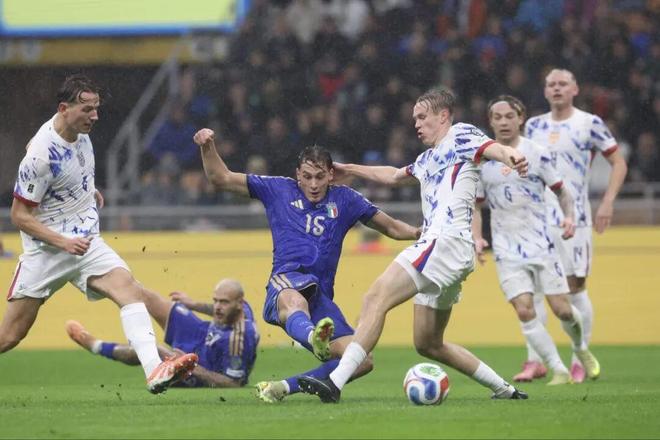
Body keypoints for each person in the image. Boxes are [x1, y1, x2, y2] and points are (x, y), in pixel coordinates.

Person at [297, 88, 530, 403]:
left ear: (443, 116)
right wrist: (349, 169)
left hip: (444, 241)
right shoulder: (427, 159)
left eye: (422, 117)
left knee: (375, 297)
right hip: (451, 252)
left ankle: (335, 382)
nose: (416, 124)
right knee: (428, 343)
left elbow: (494, 149)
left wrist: (512, 157)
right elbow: (393, 176)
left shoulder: (461, 135)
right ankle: (505, 389)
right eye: (414, 119)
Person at [192, 129, 420, 403]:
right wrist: (207, 146)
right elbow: (221, 178)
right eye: (307, 176)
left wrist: (420, 233)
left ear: (331, 175)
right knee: (296, 299)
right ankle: (314, 338)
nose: (313, 184)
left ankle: (283, 387)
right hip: (286, 283)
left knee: (361, 359)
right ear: (297, 174)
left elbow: (393, 228)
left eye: (320, 177)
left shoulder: (346, 199)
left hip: (320, 298)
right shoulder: (278, 189)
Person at [2, 74, 197, 394]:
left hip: (87, 243)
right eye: (87, 109)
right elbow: (18, 216)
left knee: (128, 289)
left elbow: (69, 171)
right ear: (63, 109)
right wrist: (63, 242)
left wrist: (87, 190)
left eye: (96, 108)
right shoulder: (39, 155)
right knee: (10, 337)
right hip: (48, 252)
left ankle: (154, 370)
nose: (94, 116)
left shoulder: (80, 132)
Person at [472, 95, 600, 385]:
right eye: (497, 117)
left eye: (509, 116)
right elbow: (476, 207)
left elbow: (562, 192)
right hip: (505, 248)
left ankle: (580, 349)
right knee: (524, 309)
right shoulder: (481, 161)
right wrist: (477, 238)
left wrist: (569, 218)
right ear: (490, 122)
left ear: (521, 118)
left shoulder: (538, 153)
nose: (504, 122)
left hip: (542, 243)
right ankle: (558, 369)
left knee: (562, 310)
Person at [523, 68, 628, 383]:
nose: (556, 88)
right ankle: (536, 361)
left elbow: (618, 162)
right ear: (545, 91)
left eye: (562, 84)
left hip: (575, 219)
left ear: (575, 89)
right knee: (533, 289)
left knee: (575, 288)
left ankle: (578, 358)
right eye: (551, 84)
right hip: (538, 219)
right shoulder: (533, 126)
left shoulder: (589, 123)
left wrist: (607, 202)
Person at [66, 278, 258, 388]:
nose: (217, 307)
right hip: (202, 333)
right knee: (146, 295)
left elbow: (235, 383)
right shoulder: (242, 308)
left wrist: (192, 367)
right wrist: (193, 305)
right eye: (216, 300)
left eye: (223, 302)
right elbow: (216, 310)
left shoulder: (239, 339)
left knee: (154, 350)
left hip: (203, 365)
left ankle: (97, 346)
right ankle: (98, 280)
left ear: (238, 303)